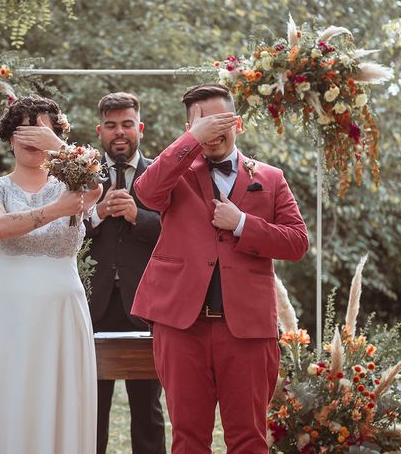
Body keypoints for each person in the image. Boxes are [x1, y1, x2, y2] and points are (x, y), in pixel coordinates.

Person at [131, 83, 308, 454]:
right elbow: (146, 193)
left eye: (217, 121)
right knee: (188, 439)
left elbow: (296, 242)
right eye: (199, 124)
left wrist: (242, 222)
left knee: (248, 438)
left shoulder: (270, 178)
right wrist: (191, 141)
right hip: (182, 326)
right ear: (188, 129)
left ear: (237, 123)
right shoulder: (175, 173)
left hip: (246, 329)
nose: (210, 131)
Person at [0, 95, 102, 454]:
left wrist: (58, 147)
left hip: (61, 312)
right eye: (24, 128)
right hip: (6, 308)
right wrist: (57, 210)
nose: (33, 137)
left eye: (42, 129)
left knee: (60, 395)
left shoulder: (74, 185)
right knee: (6, 393)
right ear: (10, 137)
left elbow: (99, 183)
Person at [85, 92, 166, 454]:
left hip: (146, 305)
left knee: (147, 410)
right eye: (112, 126)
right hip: (91, 306)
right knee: (89, 410)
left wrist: (138, 217)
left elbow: (179, 231)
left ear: (141, 128)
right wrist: (98, 213)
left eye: (127, 125)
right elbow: (60, 232)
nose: (120, 133)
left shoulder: (161, 173)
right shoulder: (81, 174)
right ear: (100, 130)